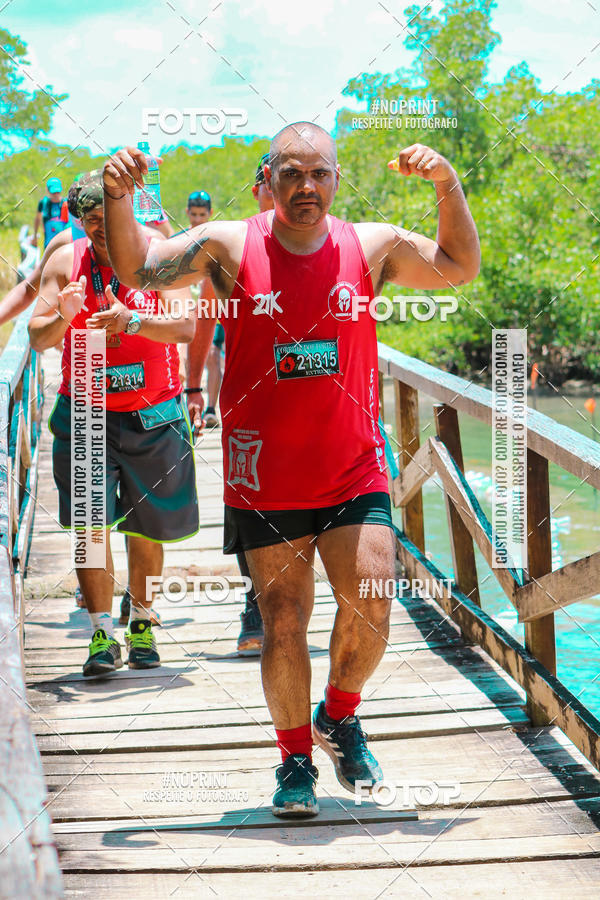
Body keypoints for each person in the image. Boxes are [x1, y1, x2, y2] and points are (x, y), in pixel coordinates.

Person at [102, 126, 480, 815]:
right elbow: (138, 270)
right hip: (263, 474)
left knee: (372, 599)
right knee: (281, 620)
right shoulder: (228, 244)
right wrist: (119, 197)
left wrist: (447, 184)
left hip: (352, 467)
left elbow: (458, 265)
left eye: (319, 174)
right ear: (268, 178)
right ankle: (295, 762)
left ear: (336, 180)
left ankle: (338, 714)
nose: (306, 186)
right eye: (292, 174)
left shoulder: (370, 245)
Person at [28, 171, 198, 678]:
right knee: (90, 528)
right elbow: (37, 337)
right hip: (86, 412)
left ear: (130, 211)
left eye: (111, 216)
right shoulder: (64, 261)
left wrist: (132, 321)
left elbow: (186, 326)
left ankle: (142, 622)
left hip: (154, 411)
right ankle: (102, 633)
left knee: (147, 527)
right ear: (79, 219)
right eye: (92, 219)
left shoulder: (159, 253)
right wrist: (62, 316)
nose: (102, 228)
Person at [186, 157, 273, 657]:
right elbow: (202, 321)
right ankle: (256, 605)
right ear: (261, 186)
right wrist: (194, 388)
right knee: (249, 510)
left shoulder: (330, 236)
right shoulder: (232, 244)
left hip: (319, 411)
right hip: (249, 412)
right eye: (272, 179)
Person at [33, 178, 70, 248]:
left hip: (64, 244)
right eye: (53, 193)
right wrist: (35, 236)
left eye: (58, 192)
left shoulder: (66, 204)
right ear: (48, 191)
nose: (56, 195)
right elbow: (37, 219)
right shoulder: (43, 203)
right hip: (48, 243)